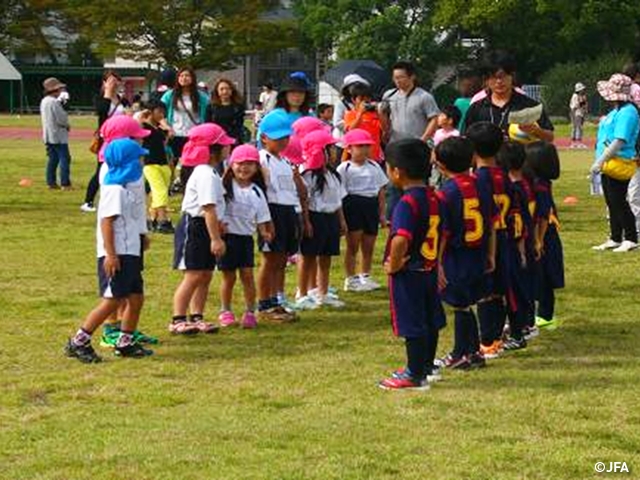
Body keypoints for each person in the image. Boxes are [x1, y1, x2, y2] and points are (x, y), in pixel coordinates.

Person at [64, 138, 153, 363]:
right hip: (119, 254)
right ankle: (79, 341)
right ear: (127, 162)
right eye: (138, 158)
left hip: (130, 250)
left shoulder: (126, 188)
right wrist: (111, 254)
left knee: (136, 297)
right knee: (113, 299)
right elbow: (107, 223)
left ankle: (125, 341)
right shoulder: (114, 189)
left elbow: (129, 218)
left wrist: (141, 237)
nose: (142, 162)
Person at [378, 138, 444, 390]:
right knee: (430, 319)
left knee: (412, 322)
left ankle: (414, 374)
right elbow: (443, 234)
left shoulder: (407, 203)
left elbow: (400, 240)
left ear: (397, 172)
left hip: (410, 271)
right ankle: (426, 366)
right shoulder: (434, 197)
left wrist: (394, 265)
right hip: (429, 268)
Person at [433, 137, 492, 370]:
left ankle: (460, 353)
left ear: (441, 165)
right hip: (478, 251)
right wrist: (491, 254)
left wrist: (437, 264)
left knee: (460, 306)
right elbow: (491, 224)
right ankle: (474, 352)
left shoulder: (446, 193)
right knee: (468, 303)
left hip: (457, 255)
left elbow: (444, 233)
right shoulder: (481, 185)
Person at [170, 124, 235, 335]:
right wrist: (216, 238)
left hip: (207, 224)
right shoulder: (205, 173)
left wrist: (219, 224)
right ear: (213, 149)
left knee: (205, 274)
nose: (228, 148)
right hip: (196, 226)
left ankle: (196, 316)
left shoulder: (213, 172)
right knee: (194, 274)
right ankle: (178, 318)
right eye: (224, 145)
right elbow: (207, 208)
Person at [467, 122, 520, 360]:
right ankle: (496, 337)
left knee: (486, 292)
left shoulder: (479, 179)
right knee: (499, 289)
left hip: (489, 239)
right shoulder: (505, 176)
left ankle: (487, 341)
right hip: (506, 237)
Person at [257, 111, 307, 322]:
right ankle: (264, 303)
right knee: (269, 259)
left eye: (286, 138)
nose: (283, 142)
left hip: (288, 211)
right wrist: (265, 222)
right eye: (278, 138)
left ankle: (277, 299)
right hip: (272, 211)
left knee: (281, 259)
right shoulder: (262, 159)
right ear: (264, 138)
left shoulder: (285, 161)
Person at [218, 145, 274, 329]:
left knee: (247, 275)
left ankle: (250, 311)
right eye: (240, 164)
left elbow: (262, 215)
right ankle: (225, 310)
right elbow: (215, 208)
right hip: (228, 238)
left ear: (257, 168)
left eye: (250, 164)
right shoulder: (224, 186)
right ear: (231, 165)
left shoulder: (257, 191)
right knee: (228, 277)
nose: (244, 168)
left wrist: (264, 231)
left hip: (245, 239)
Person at [295, 130, 347, 310]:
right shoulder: (308, 176)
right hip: (315, 218)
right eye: (330, 149)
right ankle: (302, 293)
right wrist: (307, 222)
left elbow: (338, 201)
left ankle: (322, 291)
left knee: (326, 257)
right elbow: (305, 201)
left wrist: (341, 221)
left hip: (330, 218)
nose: (334, 152)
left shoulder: (333, 175)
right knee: (308, 257)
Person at [381, 61, 440, 218]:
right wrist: (382, 116)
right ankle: (393, 217)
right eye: (395, 78)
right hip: (396, 146)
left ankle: (421, 215)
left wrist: (423, 139)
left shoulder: (424, 97)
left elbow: (434, 119)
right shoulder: (389, 96)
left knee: (418, 184)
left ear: (412, 76)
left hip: (417, 148)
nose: (398, 81)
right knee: (393, 185)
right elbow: (386, 123)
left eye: (401, 77)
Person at [591, 74, 640, 253]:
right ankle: (615, 237)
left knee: (619, 201)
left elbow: (620, 140)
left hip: (619, 161)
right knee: (611, 201)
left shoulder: (628, 112)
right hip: (608, 163)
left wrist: (600, 161)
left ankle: (631, 238)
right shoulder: (616, 111)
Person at [464, 50, 554, 144]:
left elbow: (550, 137)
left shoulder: (529, 106)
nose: (499, 81)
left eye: (502, 76)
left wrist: (536, 130)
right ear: (486, 80)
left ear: (512, 76)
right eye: (494, 77)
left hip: (521, 157)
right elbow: (467, 139)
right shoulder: (476, 109)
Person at [337, 129, 388, 292]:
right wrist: (342, 218)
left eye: (367, 146)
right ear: (349, 149)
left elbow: (380, 191)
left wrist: (381, 213)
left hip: (370, 205)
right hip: (353, 205)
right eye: (360, 146)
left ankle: (365, 275)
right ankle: (350, 278)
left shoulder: (374, 166)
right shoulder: (344, 168)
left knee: (369, 243)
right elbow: (340, 194)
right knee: (353, 244)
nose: (364, 150)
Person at [497, 141, 536, 349]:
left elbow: (518, 222)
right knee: (522, 288)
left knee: (513, 292)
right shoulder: (526, 184)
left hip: (515, 245)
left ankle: (518, 332)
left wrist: (520, 248)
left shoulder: (513, 189)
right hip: (525, 243)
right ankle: (523, 325)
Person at [525, 142, 564, 330]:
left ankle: (541, 316)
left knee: (540, 276)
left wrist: (537, 239)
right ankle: (544, 315)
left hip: (543, 235)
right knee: (543, 277)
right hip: (546, 234)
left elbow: (541, 214)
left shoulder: (539, 185)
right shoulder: (542, 182)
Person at [81, 70, 126, 212]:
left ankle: (118, 199)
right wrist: (108, 92)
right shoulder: (101, 98)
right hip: (106, 139)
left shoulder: (121, 99)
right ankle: (88, 201)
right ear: (104, 83)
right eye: (110, 81)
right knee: (101, 169)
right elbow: (102, 111)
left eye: (116, 81)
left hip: (122, 138)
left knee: (121, 168)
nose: (114, 84)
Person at [161, 67, 210, 188]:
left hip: (194, 135)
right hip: (175, 134)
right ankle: (169, 186)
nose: (184, 78)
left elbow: (208, 112)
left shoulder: (201, 97)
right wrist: (167, 127)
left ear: (192, 78)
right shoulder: (170, 95)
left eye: (187, 75)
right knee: (171, 162)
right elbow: (159, 113)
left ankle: (189, 186)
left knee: (191, 163)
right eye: (181, 76)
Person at [140, 100, 174, 233]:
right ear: (151, 112)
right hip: (150, 164)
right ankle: (162, 220)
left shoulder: (159, 128)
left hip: (163, 163)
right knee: (160, 191)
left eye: (163, 112)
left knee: (159, 191)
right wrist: (142, 116)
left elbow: (166, 140)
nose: (162, 114)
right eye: (159, 111)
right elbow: (135, 129)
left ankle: (152, 218)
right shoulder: (143, 126)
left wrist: (166, 127)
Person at [40, 77, 71, 191]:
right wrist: (67, 123)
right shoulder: (54, 102)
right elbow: (61, 119)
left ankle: (51, 182)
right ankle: (65, 183)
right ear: (55, 90)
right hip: (58, 136)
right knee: (65, 159)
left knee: (53, 159)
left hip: (48, 135)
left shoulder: (44, 101)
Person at [343, 83, 384, 163]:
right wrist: (360, 114)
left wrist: (381, 113)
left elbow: (384, 129)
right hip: (355, 157)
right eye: (361, 99)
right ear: (353, 100)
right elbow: (350, 130)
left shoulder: (375, 114)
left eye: (367, 99)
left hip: (374, 156)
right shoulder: (350, 114)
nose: (365, 102)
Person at [206, 78, 246, 146]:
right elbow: (208, 125)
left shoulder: (238, 107)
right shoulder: (211, 107)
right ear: (217, 91)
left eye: (227, 89)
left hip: (233, 141)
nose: (225, 91)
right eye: (221, 89)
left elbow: (239, 126)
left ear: (231, 90)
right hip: (216, 141)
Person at [569, 83, 588, 148]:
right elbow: (574, 106)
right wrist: (573, 115)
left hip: (581, 113)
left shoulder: (582, 96)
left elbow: (585, 105)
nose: (583, 90)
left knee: (579, 127)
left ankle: (577, 143)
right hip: (576, 113)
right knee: (577, 127)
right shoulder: (575, 96)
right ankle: (576, 143)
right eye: (582, 89)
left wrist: (585, 111)